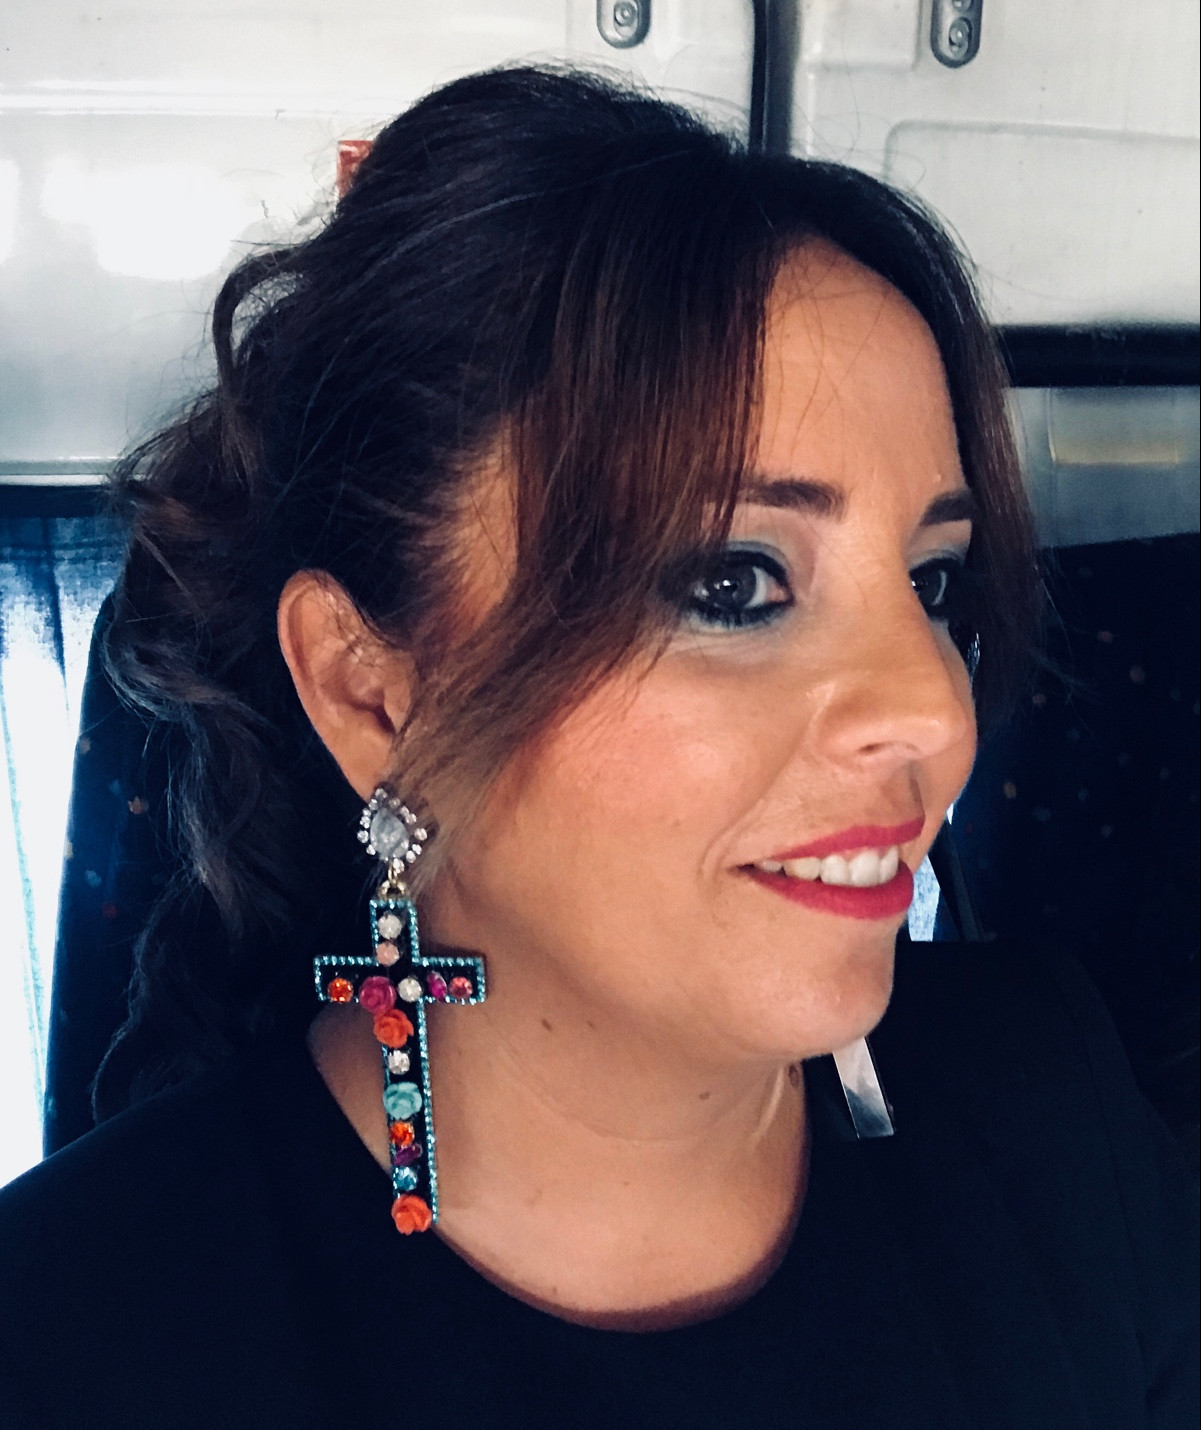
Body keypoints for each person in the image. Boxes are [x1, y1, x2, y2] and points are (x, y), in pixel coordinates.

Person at [0, 66, 1194, 1429]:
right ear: (369, 692)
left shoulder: (1053, 1105)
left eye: (931, 582)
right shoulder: (71, 1338)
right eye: (734, 583)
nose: (931, 707)